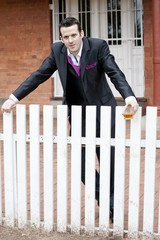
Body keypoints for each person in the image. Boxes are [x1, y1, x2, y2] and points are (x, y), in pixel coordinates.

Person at [1, 17, 139, 222]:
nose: (71, 40)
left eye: (74, 35)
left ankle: (111, 205)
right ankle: (106, 198)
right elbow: (39, 75)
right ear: (61, 38)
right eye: (66, 37)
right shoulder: (58, 52)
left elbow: (114, 72)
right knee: (79, 162)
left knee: (107, 162)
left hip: (103, 111)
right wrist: (13, 98)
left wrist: (128, 96)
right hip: (78, 115)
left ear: (82, 34)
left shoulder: (98, 47)